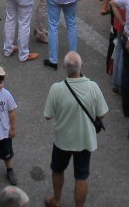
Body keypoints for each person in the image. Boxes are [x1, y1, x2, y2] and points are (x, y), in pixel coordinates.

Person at [42, 52, 108, 207]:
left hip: (63, 140)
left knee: (58, 170)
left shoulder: (56, 89)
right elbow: (102, 114)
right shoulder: (93, 87)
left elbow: (47, 115)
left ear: (64, 67)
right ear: (81, 66)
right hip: (85, 140)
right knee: (81, 176)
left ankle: (56, 201)